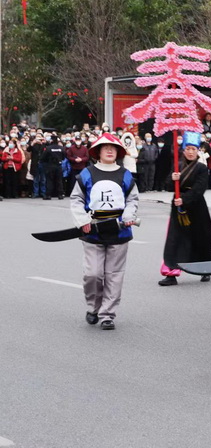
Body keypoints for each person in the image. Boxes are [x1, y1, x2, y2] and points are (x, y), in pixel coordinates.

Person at [69, 134, 139, 330]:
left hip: (119, 231)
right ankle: (93, 307)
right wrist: (82, 220)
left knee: (114, 274)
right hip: (92, 230)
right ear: (97, 152)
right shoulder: (86, 174)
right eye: (105, 147)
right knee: (93, 274)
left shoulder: (125, 174)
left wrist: (128, 216)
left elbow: (132, 199)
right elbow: (76, 199)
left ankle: (107, 314)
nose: (109, 150)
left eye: (113, 147)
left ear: (118, 152)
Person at [158, 132, 211, 285]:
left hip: (196, 206)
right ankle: (171, 273)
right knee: (175, 239)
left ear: (198, 150)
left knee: (201, 237)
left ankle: (206, 269)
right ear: (183, 150)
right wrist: (173, 180)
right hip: (178, 206)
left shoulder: (201, 168)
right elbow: (167, 186)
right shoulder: (177, 166)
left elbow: (200, 188)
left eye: (194, 149)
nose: (191, 152)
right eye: (188, 148)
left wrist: (184, 199)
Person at [40, 133, 66, 200]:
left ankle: (48, 195)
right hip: (58, 165)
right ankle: (60, 194)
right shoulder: (61, 148)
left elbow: (43, 158)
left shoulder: (48, 148)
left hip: (50, 166)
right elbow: (63, 157)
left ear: (51, 140)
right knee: (59, 180)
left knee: (49, 180)